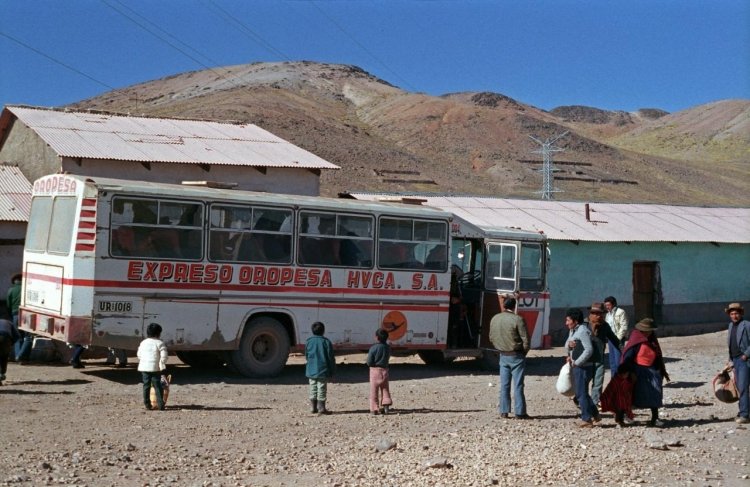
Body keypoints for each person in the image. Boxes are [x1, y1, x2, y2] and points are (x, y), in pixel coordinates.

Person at [619, 318, 670, 427]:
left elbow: (657, 355)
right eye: (647, 330)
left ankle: (655, 418)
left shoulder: (651, 340)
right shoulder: (636, 340)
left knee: (655, 393)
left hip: (651, 372)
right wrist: (628, 372)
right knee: (631, 395)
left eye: (651, 330)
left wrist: (659, 370)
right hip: (637, 372)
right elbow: (628, 357)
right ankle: (624, 416)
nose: (649, 332)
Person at [489, 297, 530, 419]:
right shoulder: (518, 319)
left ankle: (504, 411)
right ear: (514, 306)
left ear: (503, 305)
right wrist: (524, 352)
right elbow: (526, 340)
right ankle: (520, 412)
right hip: (516, 355)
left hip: (502, 355)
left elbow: (491, 337)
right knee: (518, 385)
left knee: (504, 385)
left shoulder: (495, 318)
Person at [565, 308, 600, 427]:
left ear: (575, 321)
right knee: (583, 392)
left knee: (580, 394)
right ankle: (595, 414)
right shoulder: (574, 331)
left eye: (568, 320)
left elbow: (589, 350)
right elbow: (567, 345)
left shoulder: (582, 331)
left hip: (584, 367)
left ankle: (586, 419)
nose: (566, 323)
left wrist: (577, 362)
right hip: (578, 366)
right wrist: (570, 347)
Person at [588, 302, 619, 408]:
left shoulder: (605, 326)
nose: (598, 316)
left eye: (601, 314)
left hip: (599, 359)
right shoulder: (583, 325)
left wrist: (624, 350)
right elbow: (573, 340)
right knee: (583, 383)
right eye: (595, 313)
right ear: (591, 314)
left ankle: (594, 402)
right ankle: (579, 399)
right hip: (585, 360)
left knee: (598, 382)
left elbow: (614, 339)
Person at [725, 302, 750, 424]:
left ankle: (745, 415)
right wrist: (730, 360)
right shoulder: (730, 326)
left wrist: (746, 355)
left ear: (741, 314)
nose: (734, 316)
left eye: (736, 313)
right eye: (732, 313)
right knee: (739, 387)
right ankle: (742, 411)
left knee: (744, 387)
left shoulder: (747, 325)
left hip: (744, 361)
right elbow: (730, 344)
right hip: (735, 360)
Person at [305, 321, 335, 415]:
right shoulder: (326, 342)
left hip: (311, 369)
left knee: (313, 387)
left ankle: (313, 407)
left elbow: (306, 355)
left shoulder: (309, 341)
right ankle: (321, 407)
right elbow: (330, 358)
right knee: (321, 388)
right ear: (323, 331)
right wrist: (332, 370)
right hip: (323, 370)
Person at [137, 323, 168, 411]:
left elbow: (139, 354)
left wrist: (143, 361)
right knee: (157, 385)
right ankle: (161, 405)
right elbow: (164, 355)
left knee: (146, 385)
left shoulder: (143, 342)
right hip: (155, 368)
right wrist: (162, 363)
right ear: (158, 333)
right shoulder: (160, 343)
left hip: (144, 368)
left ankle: (147, 404)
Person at [367, 328, 393, 415]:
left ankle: (374, 409)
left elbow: (369, 361)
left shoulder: (373, 348)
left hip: (374, 371)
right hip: (384, 371)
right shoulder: (388, 348)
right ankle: (386, 407)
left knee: (374, 391)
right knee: (385, 389)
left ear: (376, 337)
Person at [7, 273, 31, 364]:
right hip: (27, 314)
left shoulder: (11, 290)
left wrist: (12, 315)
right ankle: (21, 356)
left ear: (14, 281)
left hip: (15, 315)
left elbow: (8, 305)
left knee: (18, 337)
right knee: (28, 337)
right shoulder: (27, 288)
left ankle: (18, 357)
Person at [604, 296, 629, 375]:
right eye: (606, 305)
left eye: (608, 305)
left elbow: (624, 326)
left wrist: (617, 339)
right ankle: (613, 379)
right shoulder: (608, 315)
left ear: (614, 304)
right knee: (612, 362)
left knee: (618, 360)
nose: (607, 307)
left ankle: (620, 379)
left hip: (618, 339)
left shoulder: (621, 312)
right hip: (610, 339)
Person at [0, 309, 20, 385]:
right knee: (4, 356)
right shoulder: (10, 323)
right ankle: (2, 374)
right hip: (6, 337)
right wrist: (10, 344)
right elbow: (17, 336)